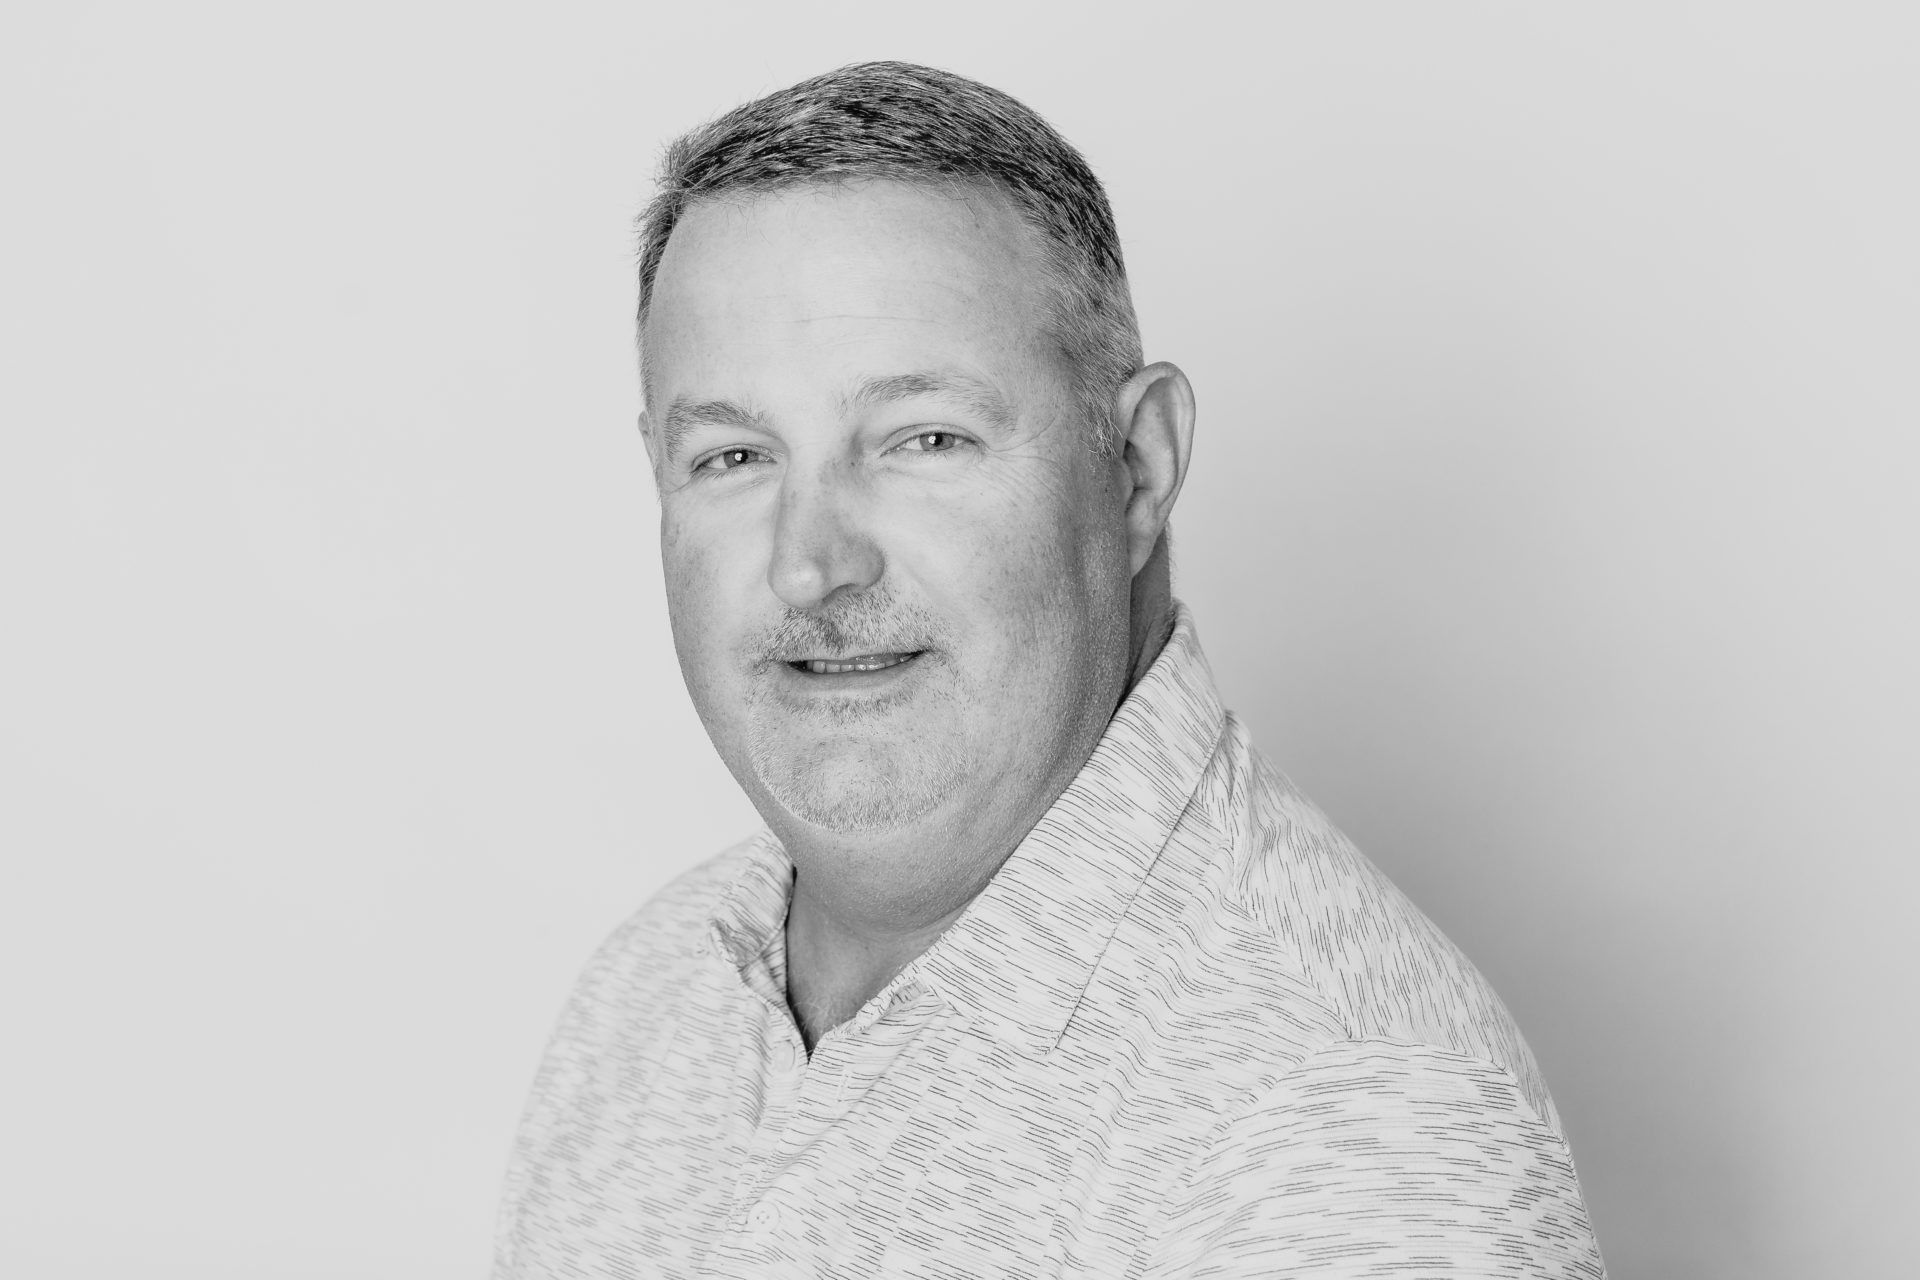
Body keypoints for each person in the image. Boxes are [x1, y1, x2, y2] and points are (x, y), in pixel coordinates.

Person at [493, 61, 1606, 1278]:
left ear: (1135, 463)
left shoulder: (1341, 1130)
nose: (810, 565)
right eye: (734, 454)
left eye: (923, 438)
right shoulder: (650, 990)